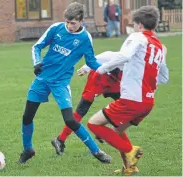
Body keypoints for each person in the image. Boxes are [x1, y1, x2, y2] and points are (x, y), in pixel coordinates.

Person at [18, 2, 111, 164]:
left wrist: (108, 70)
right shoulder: (56, 28)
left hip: (60, 83)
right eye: (67, 22)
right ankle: (28, 150)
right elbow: (37, 47)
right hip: (42, 78)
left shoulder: (84, 38)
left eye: (73, 23)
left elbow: (91, 61)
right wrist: (36, 63)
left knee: (70, 120)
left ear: (81, 20)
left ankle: (96, 151)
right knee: (27, 116)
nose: (69, 26)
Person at [87, 6, 169, 176]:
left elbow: (123, 56)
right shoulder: (158, 46)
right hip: (147, 102)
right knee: (117, 130)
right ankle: (129, 167)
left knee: (93, 123)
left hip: (132, 99)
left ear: (139, 25)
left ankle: (131, 150)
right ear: (154, 25)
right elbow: (164, 78)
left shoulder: (138, 37)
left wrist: (100, 70)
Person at [51, 51, 123, 153]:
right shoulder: (115, 56)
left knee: (125, 105)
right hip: (98, 79)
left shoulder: (139, 62)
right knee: (82, 110)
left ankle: (101, 129)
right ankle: (60, 140)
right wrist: (85, 68)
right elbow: (96, 58)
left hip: (115, 81)